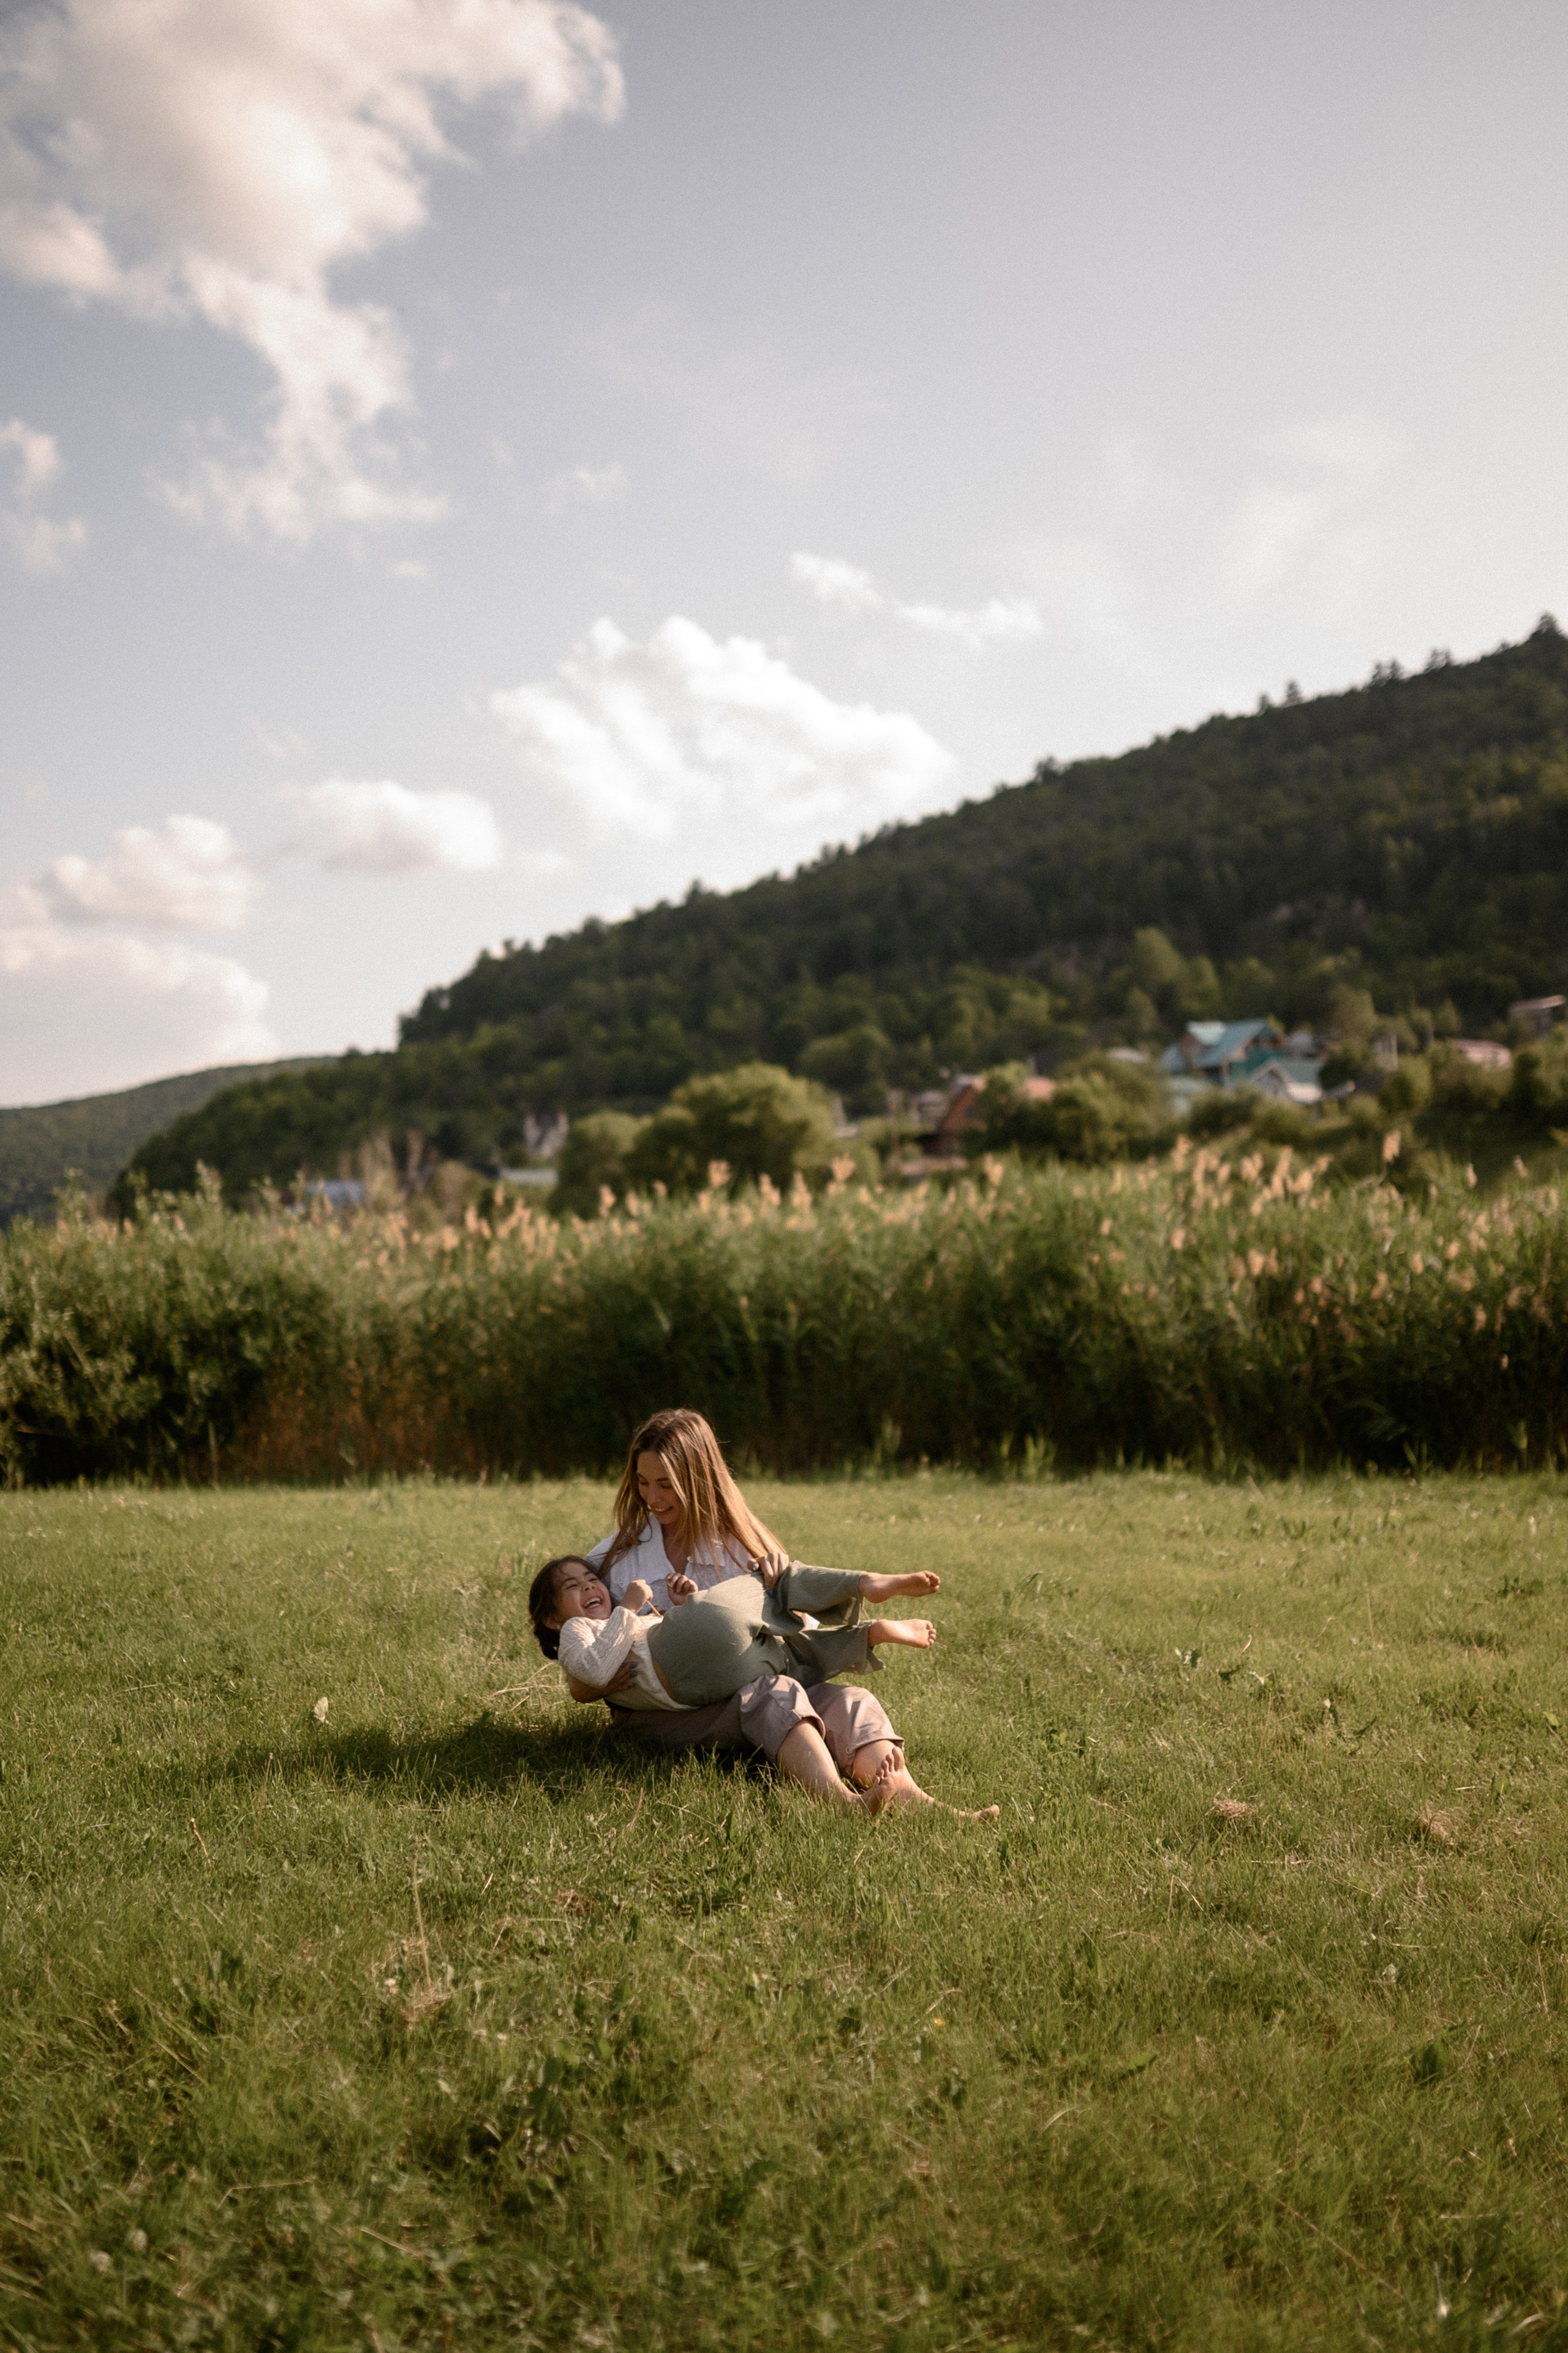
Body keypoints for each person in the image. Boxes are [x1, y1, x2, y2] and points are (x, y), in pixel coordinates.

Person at [561, 1407, 995, 1818]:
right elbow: (580, 1666)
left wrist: (775, 1584)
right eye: (643, 1482)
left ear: (699, 1480)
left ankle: (913, 1798)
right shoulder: (616, 1560)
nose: (652, 1497)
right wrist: (595, 1687)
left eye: (666, 1485)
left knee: (850, 1701)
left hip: (744, 1686)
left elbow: (794, 1636)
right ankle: (843, 1804)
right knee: (772, 1694)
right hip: (667, 1714)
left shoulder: (737, 1547)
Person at [530, 1552, 940, 1711]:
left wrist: (681, 1605)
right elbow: (596, 1670)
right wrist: (631, 1607)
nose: (588, 1586)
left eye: (591, 1578)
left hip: (704, 1684)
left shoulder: (623, 1624)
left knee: (795, 1658)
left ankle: (872, 1633)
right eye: (572, 1586)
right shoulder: (579, 1629)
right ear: (552, 1619)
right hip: (683, 1670)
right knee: (767, 1580)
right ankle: (862, 1583)